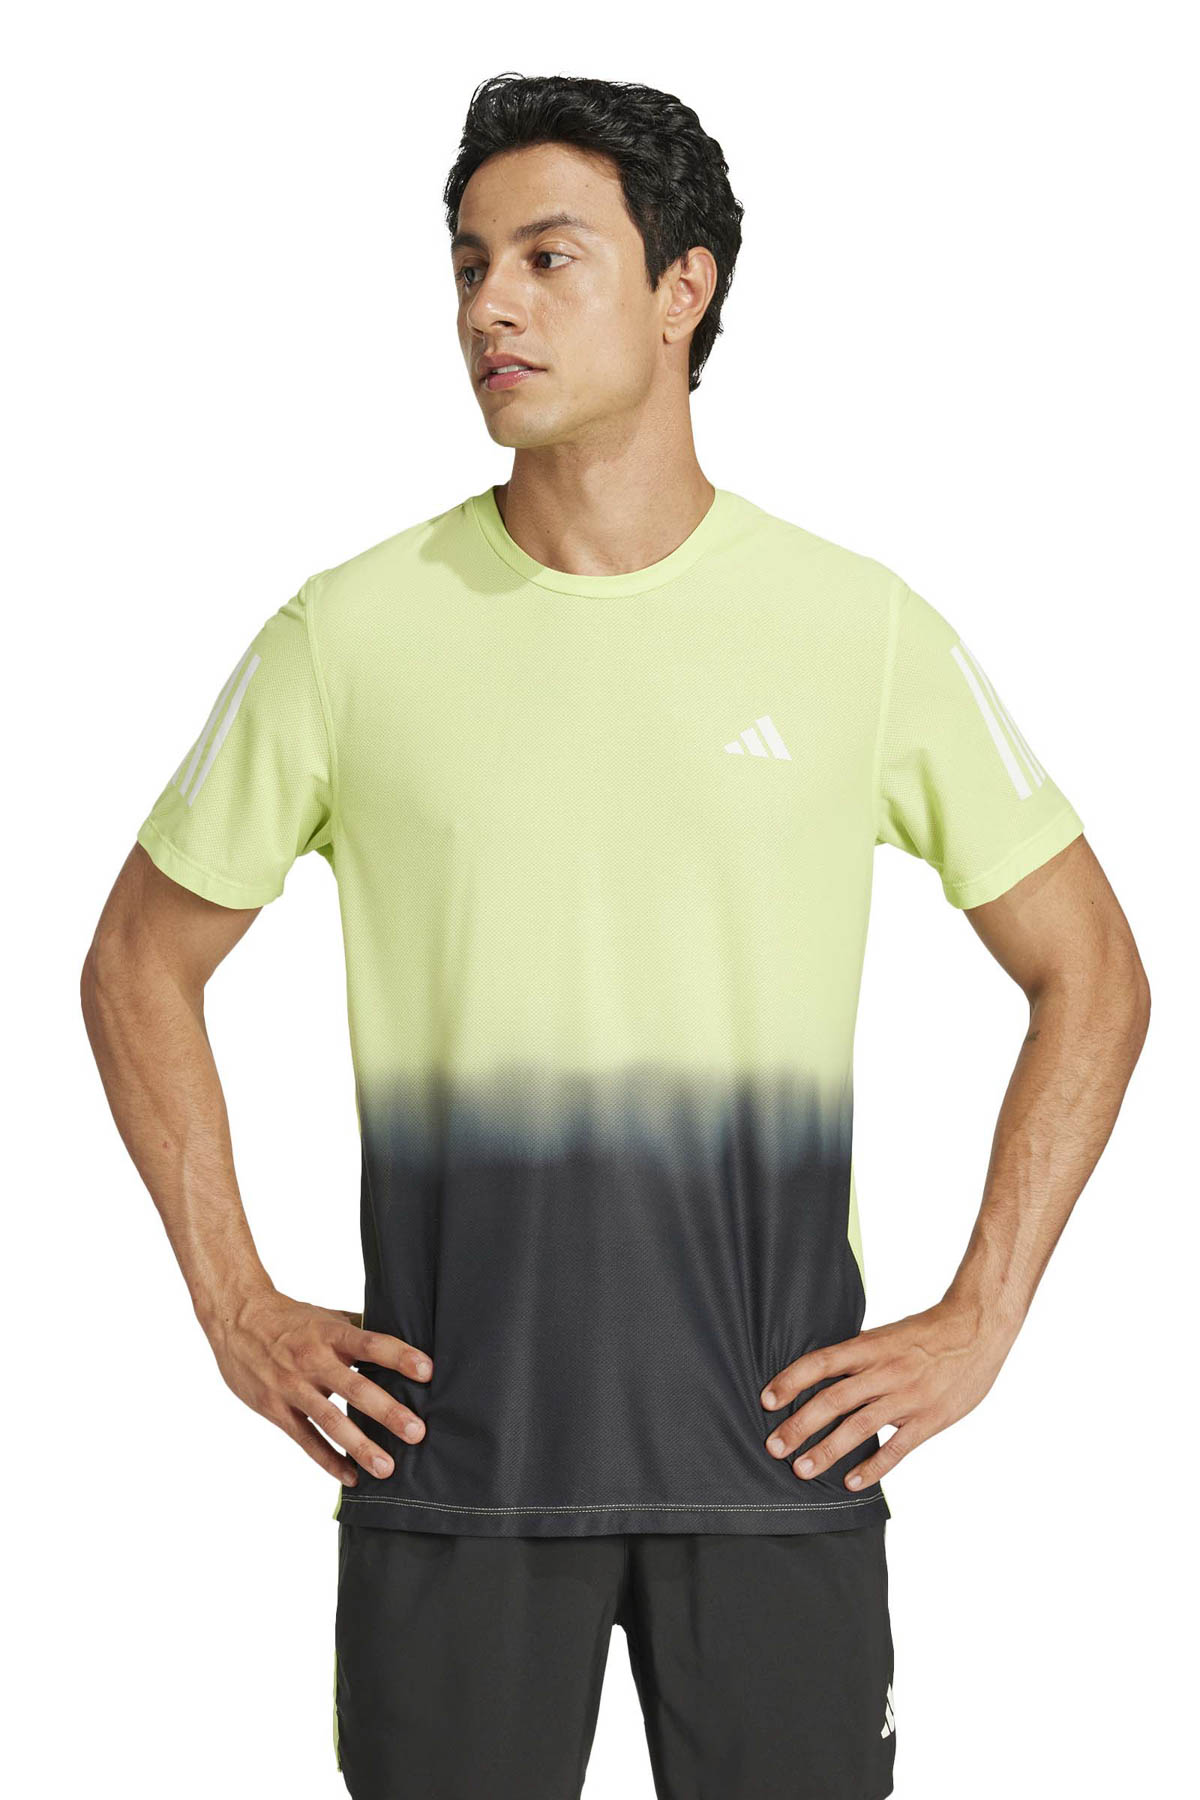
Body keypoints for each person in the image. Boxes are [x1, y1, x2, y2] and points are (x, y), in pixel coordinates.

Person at [81, 71, 1150, 1800]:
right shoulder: (347, 637)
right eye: (468, 263)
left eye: (549, 257)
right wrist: (234, 1304)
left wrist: (982, 1314)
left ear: (683, 289)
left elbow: (1091, 970)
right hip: (455, 1471)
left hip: (774, 1468)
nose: (488, 306)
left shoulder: (859, 630)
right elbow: (138, 960)